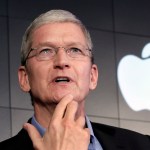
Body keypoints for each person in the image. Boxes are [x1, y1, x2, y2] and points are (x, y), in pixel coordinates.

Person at [0, 9, 150, 150]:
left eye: (75, 50)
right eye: (45, 51)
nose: (61, 61)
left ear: (92, 76)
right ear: (24, 78)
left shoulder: (143, 145)